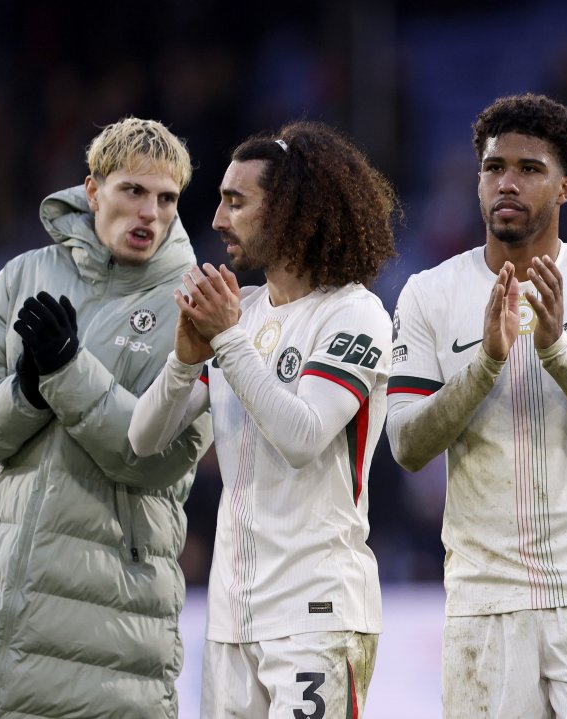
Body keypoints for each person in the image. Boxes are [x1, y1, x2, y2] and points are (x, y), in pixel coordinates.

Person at [386, 93, 567, 718]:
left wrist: (558, 352)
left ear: (565, 188)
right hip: (484, 599)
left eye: (529, 169)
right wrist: (485, 364)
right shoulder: (428, 294)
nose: (506, 183)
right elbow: (406, 445)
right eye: (494, 167)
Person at [0, 118, 212, 717]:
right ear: (93, 191)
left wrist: (66, 371)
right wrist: (26, 394)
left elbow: (161, 459)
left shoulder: (195, 307)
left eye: (166, 199)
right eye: (133, 191)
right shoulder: (25, 275)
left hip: (107, 641)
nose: (150, 212)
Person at [129, 121, 400, 718]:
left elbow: (302, 437)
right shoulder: (242, 313)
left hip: (317, 613)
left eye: (236, 202)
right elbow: (143, 438)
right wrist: (184, 360)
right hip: (230, 616)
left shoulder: (356, 315)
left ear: (290, 211)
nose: (218, 219)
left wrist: (227, 341)